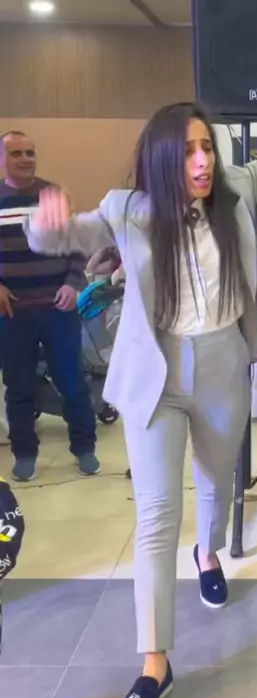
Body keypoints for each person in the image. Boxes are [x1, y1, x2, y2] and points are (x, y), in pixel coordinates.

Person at [23, 35, 257, 698]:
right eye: (188, 151)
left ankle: (208, 551)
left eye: (207, 148)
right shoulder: (126, 209)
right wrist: (43, 225)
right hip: (156, 374)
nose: (203, 161)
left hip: (222, 362)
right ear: (162, 158)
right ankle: (155, 661)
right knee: (156, 514)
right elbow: (64, 237)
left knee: (217, 484)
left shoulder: (235, 189)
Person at [0, 131, 99, 481]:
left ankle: (84, 448)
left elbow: (77, 246)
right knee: (19, 388)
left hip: (59, 309)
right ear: (2, 159)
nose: (25, 159)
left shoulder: (52, 196)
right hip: (12, 313)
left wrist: (72, 284)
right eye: (16, 153)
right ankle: (25, 454)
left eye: (30, 152)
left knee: (73, 383)